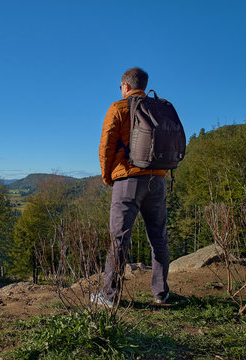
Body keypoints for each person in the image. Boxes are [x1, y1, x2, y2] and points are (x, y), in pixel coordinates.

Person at [94, 67, 170, 307]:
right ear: (144, 86)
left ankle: (109, 297)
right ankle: (161, 293)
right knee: (159, 238)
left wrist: (108, 177)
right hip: (157, 179)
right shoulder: (160, 107)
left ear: (125, 86)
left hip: (127, 180)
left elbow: (106, 146)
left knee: (119, 239)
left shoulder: (119, 108)